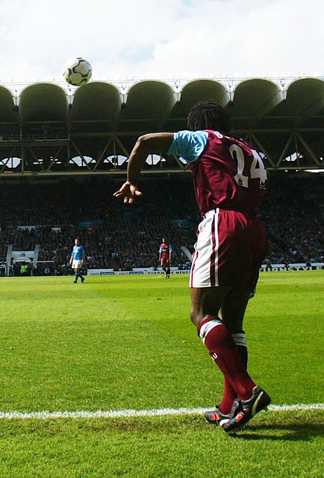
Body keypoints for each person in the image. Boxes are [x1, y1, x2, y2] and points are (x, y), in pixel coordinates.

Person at [114, 101, 270, 433]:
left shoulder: (202, 138)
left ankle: (247, 390)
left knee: (200, 312)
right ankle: (230, 405)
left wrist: (131, 180)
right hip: (255, 228)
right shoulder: (250, 151)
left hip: (223, 222)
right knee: (234, 321)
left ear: (197, 124)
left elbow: (144, 142)